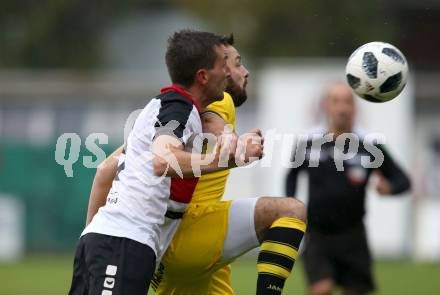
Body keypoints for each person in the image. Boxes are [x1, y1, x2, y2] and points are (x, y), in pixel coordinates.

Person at [86, 35, 307, 295]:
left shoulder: (157, 118)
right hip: (190, 230)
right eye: (233, 64)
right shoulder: (214, 100)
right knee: (289, 211)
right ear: (206, 74)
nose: (240, 72)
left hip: (157, 242)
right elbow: (213, 123)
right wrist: (233, 143)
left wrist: (92, 239)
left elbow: (103, 171)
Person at [285, 81, 411, 295]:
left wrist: (388, 187)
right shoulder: (308, 143)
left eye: (347, 102)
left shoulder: (370, 146)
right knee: (321, 288)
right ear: (326, 106)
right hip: (318, 234)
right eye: (336, 101)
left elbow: (403, 181)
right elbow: (292, 176)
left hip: (353, 234)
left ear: (355, 107)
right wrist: (291, 208)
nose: (342, 108)